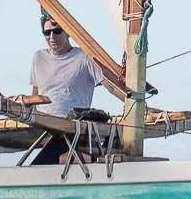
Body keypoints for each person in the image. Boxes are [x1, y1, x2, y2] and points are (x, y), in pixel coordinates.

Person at [28, 12, 121, 166]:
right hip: (44, 127)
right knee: (49, 160)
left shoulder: (84, 57)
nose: (52, 37)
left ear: (68, 32)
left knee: (43, 165)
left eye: (57, 31)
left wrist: (137, 103)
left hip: (72, 126)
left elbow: (110, 85)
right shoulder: (38, 57)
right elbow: (35, 94)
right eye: (47, 32)